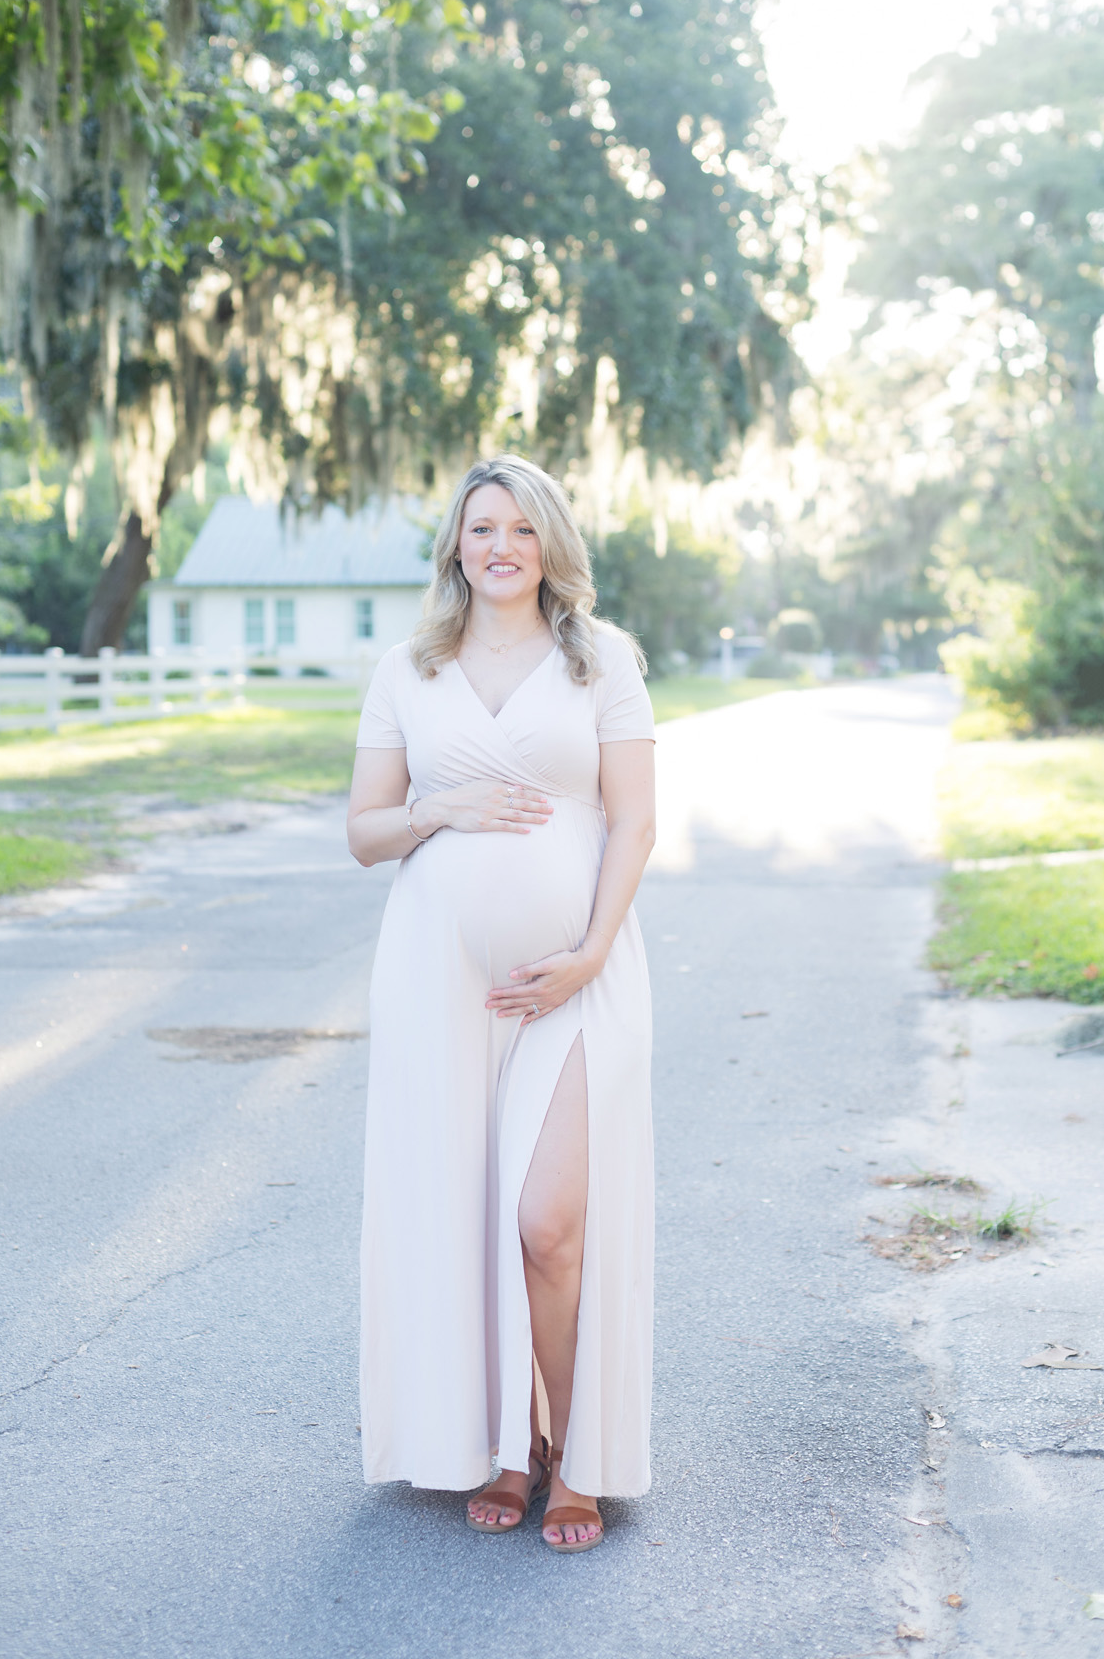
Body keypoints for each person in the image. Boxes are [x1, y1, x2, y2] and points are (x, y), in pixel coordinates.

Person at [347, 455, 656, 1551]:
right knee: (462, 1215)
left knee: (548, 1224)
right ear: (457, 546)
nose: (501, 547)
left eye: (522, 530)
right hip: (438, 981)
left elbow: (633, 823)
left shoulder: (601, 660)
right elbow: (363, 833)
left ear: (549, 544)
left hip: (576, 979)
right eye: (483, 528)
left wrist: (589, 952)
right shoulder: (408, 670)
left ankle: (574, 1450)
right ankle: (504, 1449)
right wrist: (440, 805)